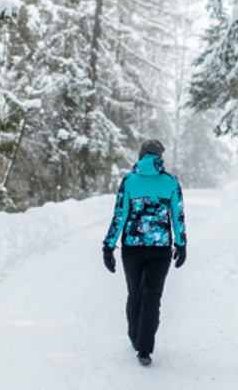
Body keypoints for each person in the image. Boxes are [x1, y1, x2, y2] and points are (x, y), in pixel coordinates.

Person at [101, 139, 186, 366]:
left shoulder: (129, 181)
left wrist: (109, 246)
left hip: (132, 249)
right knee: (153, 297)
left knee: (135, 293)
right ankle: (145, 349)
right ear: (159, 157)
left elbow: (119, 215)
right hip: (160, 250)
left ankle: (134, 336)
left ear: (141, 155)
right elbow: (177, 217)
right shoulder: (171, 182)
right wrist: (181, 244)